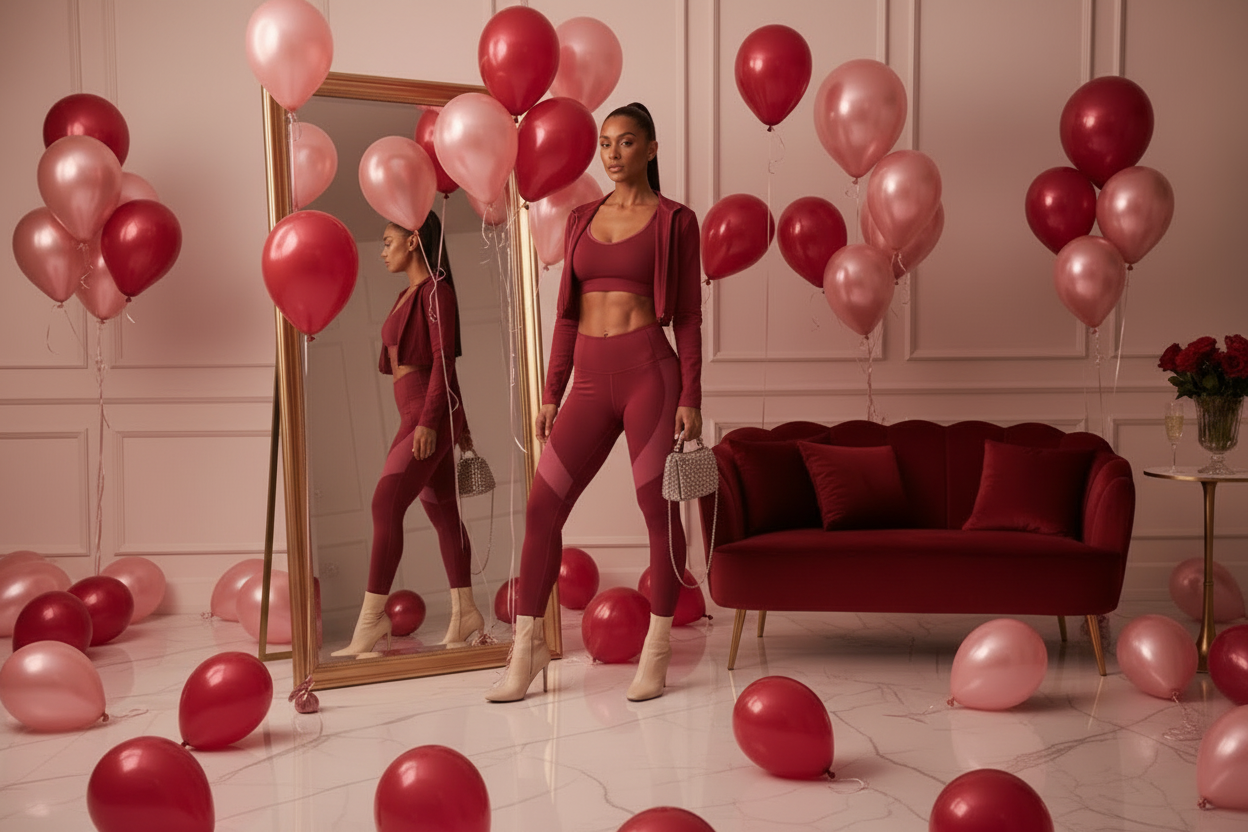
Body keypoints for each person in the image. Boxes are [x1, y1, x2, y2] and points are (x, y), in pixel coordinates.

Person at [486, 102, 703, 702]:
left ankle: (658, 650)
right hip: (586, 380)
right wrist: (551, 390)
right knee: (541, 508)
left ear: (651, 149)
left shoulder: (676, 222)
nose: (613, 153)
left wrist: (691, 395)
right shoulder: (580, 218)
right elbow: (564, 316)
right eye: (606, 143)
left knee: (656, 514)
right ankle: (527, 650)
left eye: (627, 143)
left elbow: (687, 317)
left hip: (648, 378)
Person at [333, 212, 484, 657]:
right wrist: (460, 426)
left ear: (414, 240)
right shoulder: (408, 294)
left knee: (385, 503)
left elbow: (443, 363)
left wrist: (432, 423)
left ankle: (371, 620)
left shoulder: (438, 292)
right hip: (422, 413)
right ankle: (466, 612)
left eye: (386, 242)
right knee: (443, 515)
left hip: (425, 413)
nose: (381, 251)